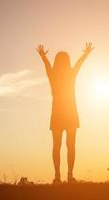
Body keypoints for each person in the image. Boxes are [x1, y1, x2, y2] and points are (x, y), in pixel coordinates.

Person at [36, 43, 94, 184]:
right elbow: (78, 64)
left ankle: (60, 176)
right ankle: (67, 176)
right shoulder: (70, 74)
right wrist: (85, 54)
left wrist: (43, 56)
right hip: (68, 113)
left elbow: (48, 66)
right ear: (67, 62)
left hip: (61, 113)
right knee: (69, 145)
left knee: (59, 146)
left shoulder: (55, 75)